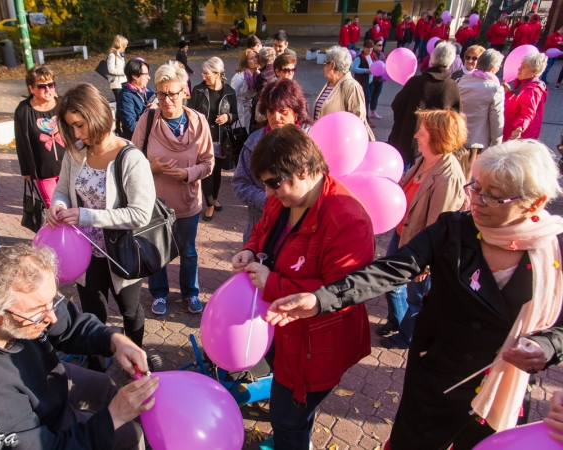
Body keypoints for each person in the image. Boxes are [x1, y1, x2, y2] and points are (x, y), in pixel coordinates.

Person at [266, 139, 563, 450]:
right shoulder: (454, 230)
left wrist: (547, 345)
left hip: (505, 388)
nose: (476, 201)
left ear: (534, 202)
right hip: (435, 379)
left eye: (494, 197)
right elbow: (389, 270)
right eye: (476, 188)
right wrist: (320, 299)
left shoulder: (553, 252)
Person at [0, 244, 158, 450]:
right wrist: (112, 419)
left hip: (43, 385)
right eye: (38, 312)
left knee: (105, 385)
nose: (51, 318)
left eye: (51, 301)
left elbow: (67, 321)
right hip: (35, 430)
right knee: (129, 435)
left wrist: (113, 339)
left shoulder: (9, 305)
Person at [232, 125, 375, 449]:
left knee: (288, 420)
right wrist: (251, 249)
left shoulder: (348, 220)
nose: (268, 193)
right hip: (284, 331)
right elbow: (263, 228)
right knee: (289, 416)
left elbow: (341, 293)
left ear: (305, 170)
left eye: (273, 183)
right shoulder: (282, 200)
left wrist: (273, 283)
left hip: (314, 345)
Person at [47, 82, 155, 372]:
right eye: (71, 127)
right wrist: (56, 206)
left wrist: (86, 216)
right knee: (92, 314)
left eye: (79, 125)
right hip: (84, 253)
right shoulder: (76, 152)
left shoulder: (131, 158)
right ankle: (96, 369)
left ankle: (135, 360)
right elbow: (60, 191)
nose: (77, 134)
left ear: (96, 115)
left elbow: (140, 214)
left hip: (120, 254)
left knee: (130, 311)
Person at [377, 110, 467, 349]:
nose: (416, 135)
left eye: (422, 132)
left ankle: (406, 336)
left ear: (437, 137)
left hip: (420, 248)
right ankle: (397, 320)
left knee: (416, 296)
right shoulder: (423, 160)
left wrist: (426, 264)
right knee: (391, 282)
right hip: (402, 234)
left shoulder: (447, 178)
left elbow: (439, 227)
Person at [131, 62, 214, 316]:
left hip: (187, 201)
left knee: (188, 251)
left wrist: (188, 174)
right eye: (161, 93)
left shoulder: (198, 121)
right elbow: (131, 160)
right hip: (155, 203)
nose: (166, 100)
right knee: (156, 250)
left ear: (184, 92)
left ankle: (190, 293)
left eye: (172, 93)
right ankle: (158, 294)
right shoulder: (148, 120)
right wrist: (151, 167)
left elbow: (208, 162)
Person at [232, 78, 312, 243]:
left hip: (302, 234)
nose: (276, 117)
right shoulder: (254, 143)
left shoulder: (313, 140)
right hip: (261, 231)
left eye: (283, 111)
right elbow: (240, 183)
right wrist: (268, 200)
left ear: (296, 111)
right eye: (270, 111)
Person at [388, 42, 460, 167]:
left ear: (432, 59)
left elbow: (396, 105)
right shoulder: (452, 87)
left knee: (402, 179)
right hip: (435, 146)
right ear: (451, 62)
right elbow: (456, 119)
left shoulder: (415, 82)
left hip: (408, 140)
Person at [189, 57, 238, 222]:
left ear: (217, 74)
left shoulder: (230, 92)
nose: (203, 77)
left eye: (207, 74)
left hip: (221, 138)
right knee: (206, 172)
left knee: (217, 171)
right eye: (203, 73)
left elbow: (235, 114)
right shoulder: (198, 90)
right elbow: (190, 113)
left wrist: (227, 117)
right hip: (203, 138)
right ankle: (209, 204)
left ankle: (215, 197)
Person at [14, 65, 63, 209]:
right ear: (32, 88)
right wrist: (26, 170)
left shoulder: (64, 103)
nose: (48, 89)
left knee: (74, 206)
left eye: (51, 84)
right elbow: (21, 141)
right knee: (54, 208)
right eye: (42, 86)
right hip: (44, 169)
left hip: (69, 167)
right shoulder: (24, 110)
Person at [313, 45, 373, 142]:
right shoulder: (330, 83)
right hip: (323, 140)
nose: (323, 66)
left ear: (332, 65)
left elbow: (357, 120)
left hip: (339, 144)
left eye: (325, 63)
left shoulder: (351, 86)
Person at [458, 49, 504, 151]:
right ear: (492, 69)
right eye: (499, 67)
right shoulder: (495, 89)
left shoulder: (462, 80)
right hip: (475, 141)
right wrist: (497, 142)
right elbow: (496, 118)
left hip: (456, 135)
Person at [503, 52, 548, 141]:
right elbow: (518, 103)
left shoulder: (532, 89)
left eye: (524, 67)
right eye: (521, 65)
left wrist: (519, 127)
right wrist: (509, 93)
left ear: (534, 72)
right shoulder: (523, 84)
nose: (519, 68)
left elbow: (528, 112)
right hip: (513, 132)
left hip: (520, 137)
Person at [116, 58, 156, 140]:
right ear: (134, 76)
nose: (149, 77)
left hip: (151, 138)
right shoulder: (125, 97)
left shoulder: (149, 91)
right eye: (145, 74)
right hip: (136, 141)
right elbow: (132, 127)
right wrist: (150, 113)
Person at [230, 49, 258, 131]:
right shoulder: (239, 77)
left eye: (256, 57)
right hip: (239, 107)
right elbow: (232, 95)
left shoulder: (258, 74)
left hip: (250, 107)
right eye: (251, 58)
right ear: (246, 62)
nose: (255, 59)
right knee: (239, 131)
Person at [250, 47, 276, 132]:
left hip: (265, 117)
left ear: (260, 59)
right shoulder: (277, 71)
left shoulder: (262, 76)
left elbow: (261, 97)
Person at [352, 39, 375, 127]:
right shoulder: (359, 58)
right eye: (367, 48)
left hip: (369, 82)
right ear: (363, 48)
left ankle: (364, 117)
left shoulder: (370, 57)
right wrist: (366, 70)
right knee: (366, 100)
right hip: (362, 83)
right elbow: (353, 68)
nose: (369, 51)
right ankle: (365, 119)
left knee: (367, 100)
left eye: (371, 49)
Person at [370, 39, 387, 120]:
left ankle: (373, 112)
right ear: (374, 46)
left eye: (381, 45)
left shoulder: (382, 54)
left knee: (376, 96)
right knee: (368, 97)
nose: (381, 47)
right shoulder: (371, 55)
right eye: (379, 45)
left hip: (380, 79)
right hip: (373, 79)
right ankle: (364, 113)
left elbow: (385, 64)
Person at [107, 35, 127, 100]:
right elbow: (110, 70)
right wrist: (123, 72)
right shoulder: (112, 55)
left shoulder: (121, 54)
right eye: (125, 44)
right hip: (117, 83)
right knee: (119, 100)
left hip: (124, 80)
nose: (126, 46)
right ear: (121, 44)